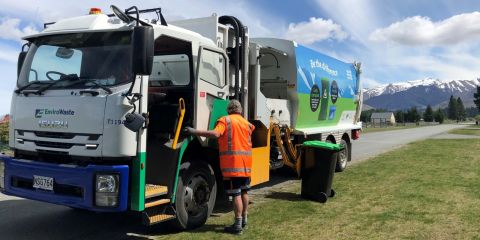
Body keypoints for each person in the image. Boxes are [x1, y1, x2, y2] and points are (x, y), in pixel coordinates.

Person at [185, 100, 254, 234]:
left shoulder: (225, 120)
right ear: (240, 110)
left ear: (229, 110)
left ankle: (237, 224)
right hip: (246, 164)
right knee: (244, 192)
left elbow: (216, 134)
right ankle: (244, 219)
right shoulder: (247, 124)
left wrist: (195, 131)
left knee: (236, 194)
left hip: (233, 165)